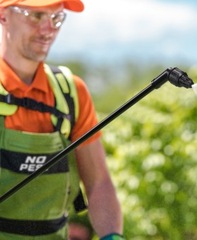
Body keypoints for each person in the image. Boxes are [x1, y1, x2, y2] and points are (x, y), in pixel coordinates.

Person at [0, 0, 124, 239]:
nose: (49, 30)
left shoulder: (71, 93)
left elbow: (98, 183)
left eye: (56, 18)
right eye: (36, 17)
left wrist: (111, 235)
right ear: (4, 15)